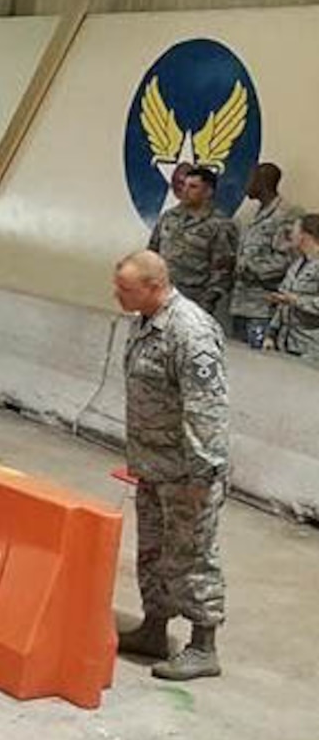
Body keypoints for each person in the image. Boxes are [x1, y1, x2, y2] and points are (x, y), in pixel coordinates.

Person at [112, 251, 229, 681]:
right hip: (154, 464)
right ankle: (154, 628)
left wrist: (203, 472)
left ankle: (203, 646)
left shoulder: (190, 331)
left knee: (193, 553)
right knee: (154, 551)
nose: (117, 295)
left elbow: (207, 408)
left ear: (154, 286)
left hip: (187, 472)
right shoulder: (144, 321)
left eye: (125, 289)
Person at [147, 167, 238, 324]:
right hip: (159, 297)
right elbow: (152, 253)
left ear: (208, 192)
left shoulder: (219, 225)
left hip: (191, 301)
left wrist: (204, 306)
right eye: (184, 185)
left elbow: (222, 272)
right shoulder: (169, 217)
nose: (185, 191)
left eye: (193, 187)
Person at [230, 162, 303, 347]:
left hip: (263, 307)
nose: (246, 184)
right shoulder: (257, 214)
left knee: (260, 365)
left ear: (262, 182)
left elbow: (287, 259)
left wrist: (248, 269)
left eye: (250, 179)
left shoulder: (286, 214)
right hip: (241, 304)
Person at [265, 212, 319, 366]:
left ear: (305, 235)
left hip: (311, 348)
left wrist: (295, 300)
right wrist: (271, 334)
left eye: (295, 231)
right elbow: (283, 301)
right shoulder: (297, 264)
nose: (291, 236)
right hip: (286, 344)